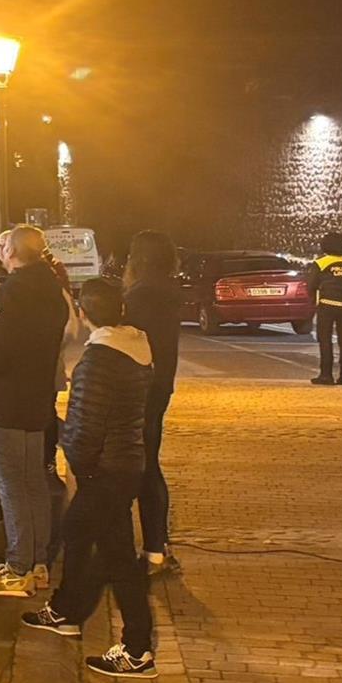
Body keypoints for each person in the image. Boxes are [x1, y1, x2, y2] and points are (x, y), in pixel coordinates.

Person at [21, 278, 157, 680]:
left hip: (105, 469)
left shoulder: (99, 358)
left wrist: (73, 452)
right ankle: (68, 611)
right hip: (125, 462)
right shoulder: (136, 348)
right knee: (96, 541)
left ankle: (136, 649)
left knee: (100, 547)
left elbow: (86, 425)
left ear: (83, 313)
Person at [0, 225, 71, 597]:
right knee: (33, 483)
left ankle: (17, 567)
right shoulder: (53, 292)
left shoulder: (11, 294)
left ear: (12, 251)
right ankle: (37, 562)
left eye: (1, 245)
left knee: (11, 485)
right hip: (35, 400)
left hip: (5, 402)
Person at [121, 231, 182, 573]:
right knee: (149, 463)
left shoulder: (143, 294)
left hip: (141, 388)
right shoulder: (167, 290)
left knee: (141, 467)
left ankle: (154, 550)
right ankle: (158, 545)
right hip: (159, 386)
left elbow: (130, 339)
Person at [311, 231, 342, 386]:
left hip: (327, 304)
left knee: (325, 339)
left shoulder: (321, 263)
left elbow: (311, 285)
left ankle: (326, 375)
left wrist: (313, 300)